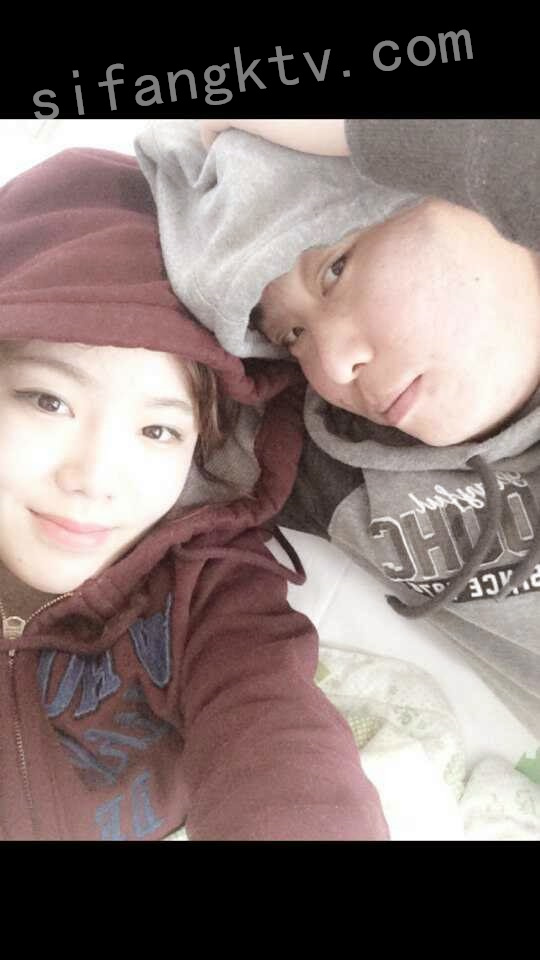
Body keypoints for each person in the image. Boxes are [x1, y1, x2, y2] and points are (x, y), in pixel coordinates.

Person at [0, 146, 389, 841]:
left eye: (158, 430)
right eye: (48, 401)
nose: (94, 478)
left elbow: (278, 742)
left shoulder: (210, 590)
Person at [135, 118, 540, 740]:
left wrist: (357, 130)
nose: (332, 366)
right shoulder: (331, 459)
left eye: (336, 269)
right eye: (292, 336)